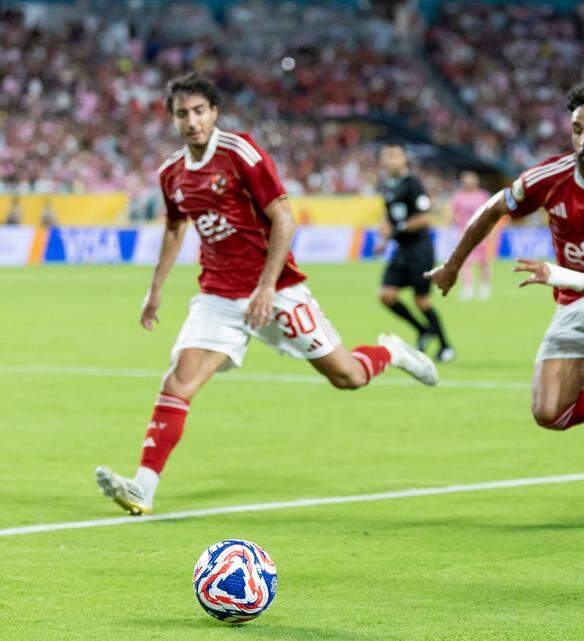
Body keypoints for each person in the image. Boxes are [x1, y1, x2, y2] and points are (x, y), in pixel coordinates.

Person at [95, 73, 438, 516]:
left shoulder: (241, 152)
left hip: (276, 291)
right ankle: (143, 486)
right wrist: (155, 289)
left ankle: (391, 352)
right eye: (183, 113)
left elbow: (284, 219)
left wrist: (264, 287)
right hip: (218, 296)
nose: (192, 121)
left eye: (200, 111)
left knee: (347, 376)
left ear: (214, 113)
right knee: (178, 381)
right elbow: (176, 227)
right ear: (173, 119)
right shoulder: (171, 173)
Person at [427, 81, 584, 533]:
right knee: (549, 413)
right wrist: (451, 266)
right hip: (572, 305)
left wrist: (559, 275)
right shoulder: (549, 177)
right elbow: (489, 210)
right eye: (577, 129)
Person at [377, 144, 454, 362]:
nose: (390, 160)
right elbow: (387, 214)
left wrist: (396, 229)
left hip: (419, 250)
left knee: (421, 300)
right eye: (386, 156)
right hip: (401, 249)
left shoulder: (413, 184)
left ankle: (446, 346)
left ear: (403, 160)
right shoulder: (388, 185)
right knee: (386, 295)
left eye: (394, 156)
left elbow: (424, 218)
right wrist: (383, 238)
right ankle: (422, 330)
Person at [450, 170, 493, 300]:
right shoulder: (458, 197)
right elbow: (454, 215)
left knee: (483, 261)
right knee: (464, 262)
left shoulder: (483, 196)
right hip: (464, 234)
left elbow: (490, 214)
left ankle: (484, 287)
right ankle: (467, 288)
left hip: (481, 233)